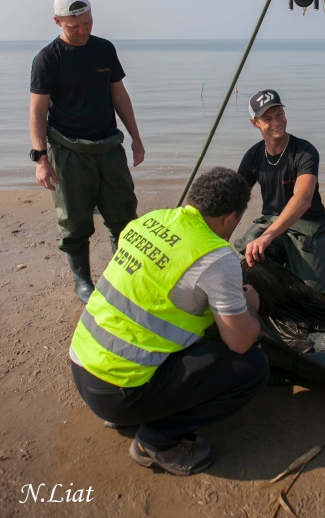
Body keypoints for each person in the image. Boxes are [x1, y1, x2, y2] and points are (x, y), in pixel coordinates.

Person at [69, 167, 268, 476]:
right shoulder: (216, 255)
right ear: (231, 219)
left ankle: (129, 413)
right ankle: (156, 440)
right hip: (118, 393)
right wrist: (250, 307)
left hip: (82, 368)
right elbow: (240, 340)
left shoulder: (147, 221)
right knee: (252, 367)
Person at [29, 0, 145, 303]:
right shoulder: (47, 59)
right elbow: (38, 112)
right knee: (74, 221)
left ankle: (123, 277)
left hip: (108, 148)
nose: (82, 31)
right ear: (58, 22)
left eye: (88, 23)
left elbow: (118, 95)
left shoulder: (104, 50)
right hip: (68, 151)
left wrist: (135, 136)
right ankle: (83, 282)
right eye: (74, 26)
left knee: (123, 216)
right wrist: (41, 158)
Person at [234, 90, 325, 292]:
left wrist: (268, 235)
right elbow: (236, 200)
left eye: (279, 114)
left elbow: (304, 197)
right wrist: (216, 240)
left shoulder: (304, 151)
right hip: (271, 221)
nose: (276, 122)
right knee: (250, 265)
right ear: (255, 123)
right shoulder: (253, 154)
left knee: (311, 293)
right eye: (267, 119)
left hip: (309, 224)